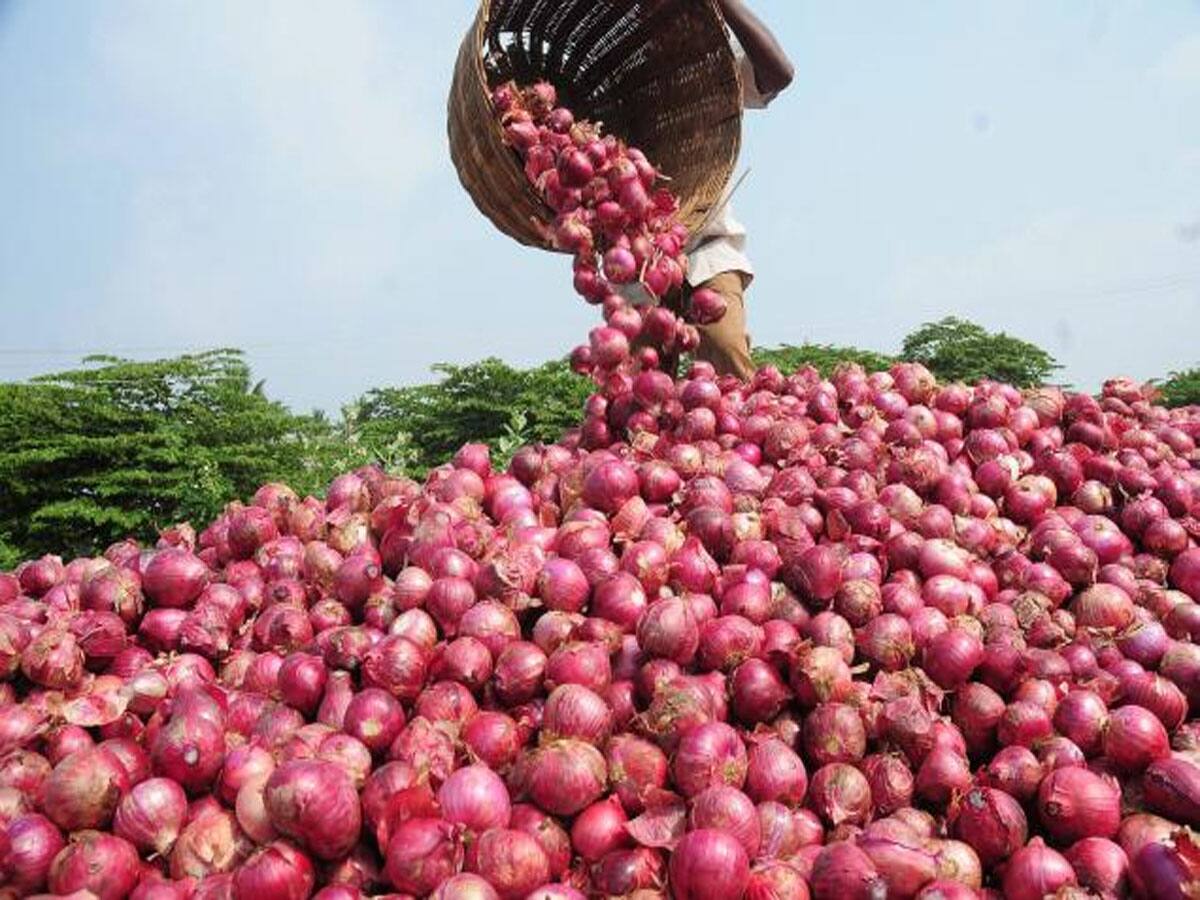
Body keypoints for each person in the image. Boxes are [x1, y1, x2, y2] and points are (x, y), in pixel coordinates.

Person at [635, 0, 794, 380]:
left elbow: (779, 74)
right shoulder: (618, 81)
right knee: (637, 381)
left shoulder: (711, 65)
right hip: (640, 257)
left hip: (708, 247)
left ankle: (741, 436)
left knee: (726, 354)